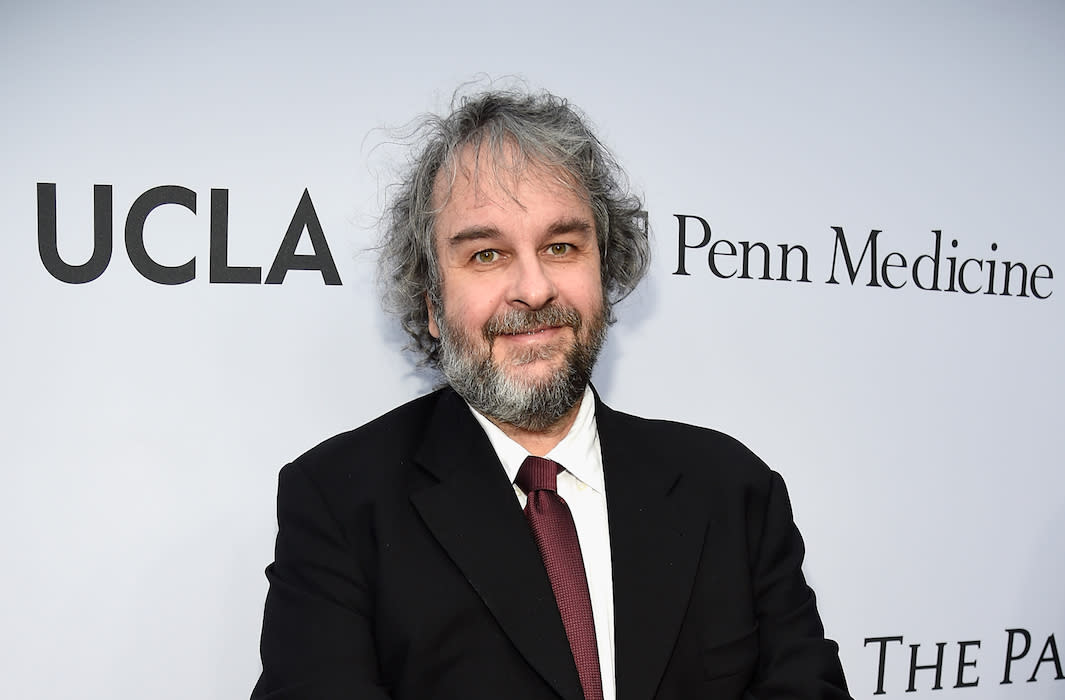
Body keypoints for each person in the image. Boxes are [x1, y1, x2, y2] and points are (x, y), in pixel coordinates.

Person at [251, 86, 851, 700]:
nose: (533, 289)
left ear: (605, 268)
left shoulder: (732, 489)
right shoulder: (339, 503)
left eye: (561, 246)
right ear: (432, 303)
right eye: (486, 254)